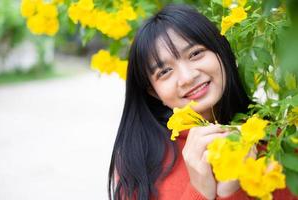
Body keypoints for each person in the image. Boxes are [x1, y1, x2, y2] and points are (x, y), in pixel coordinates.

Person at [108, 4, 298, 200]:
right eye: (164, 72)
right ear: (153, 92)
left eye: (195, 54)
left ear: (220, 51)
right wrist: (198, 191)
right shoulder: (137, 159)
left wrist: (231, 191)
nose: (187, 77)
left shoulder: (279, 140)